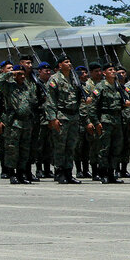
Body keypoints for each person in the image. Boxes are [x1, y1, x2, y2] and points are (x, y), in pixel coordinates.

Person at [44, 54, 82, 184]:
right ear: (60, 65)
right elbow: (50, 101)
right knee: (60, 146)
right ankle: (59, 172)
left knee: (71, 146)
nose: (69, 64)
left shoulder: (74, 78)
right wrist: (53, 118)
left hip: (73, 116)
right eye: (66, 62)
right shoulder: (55, 79)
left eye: (70, 62)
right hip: (61, 116)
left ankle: (68, 172)